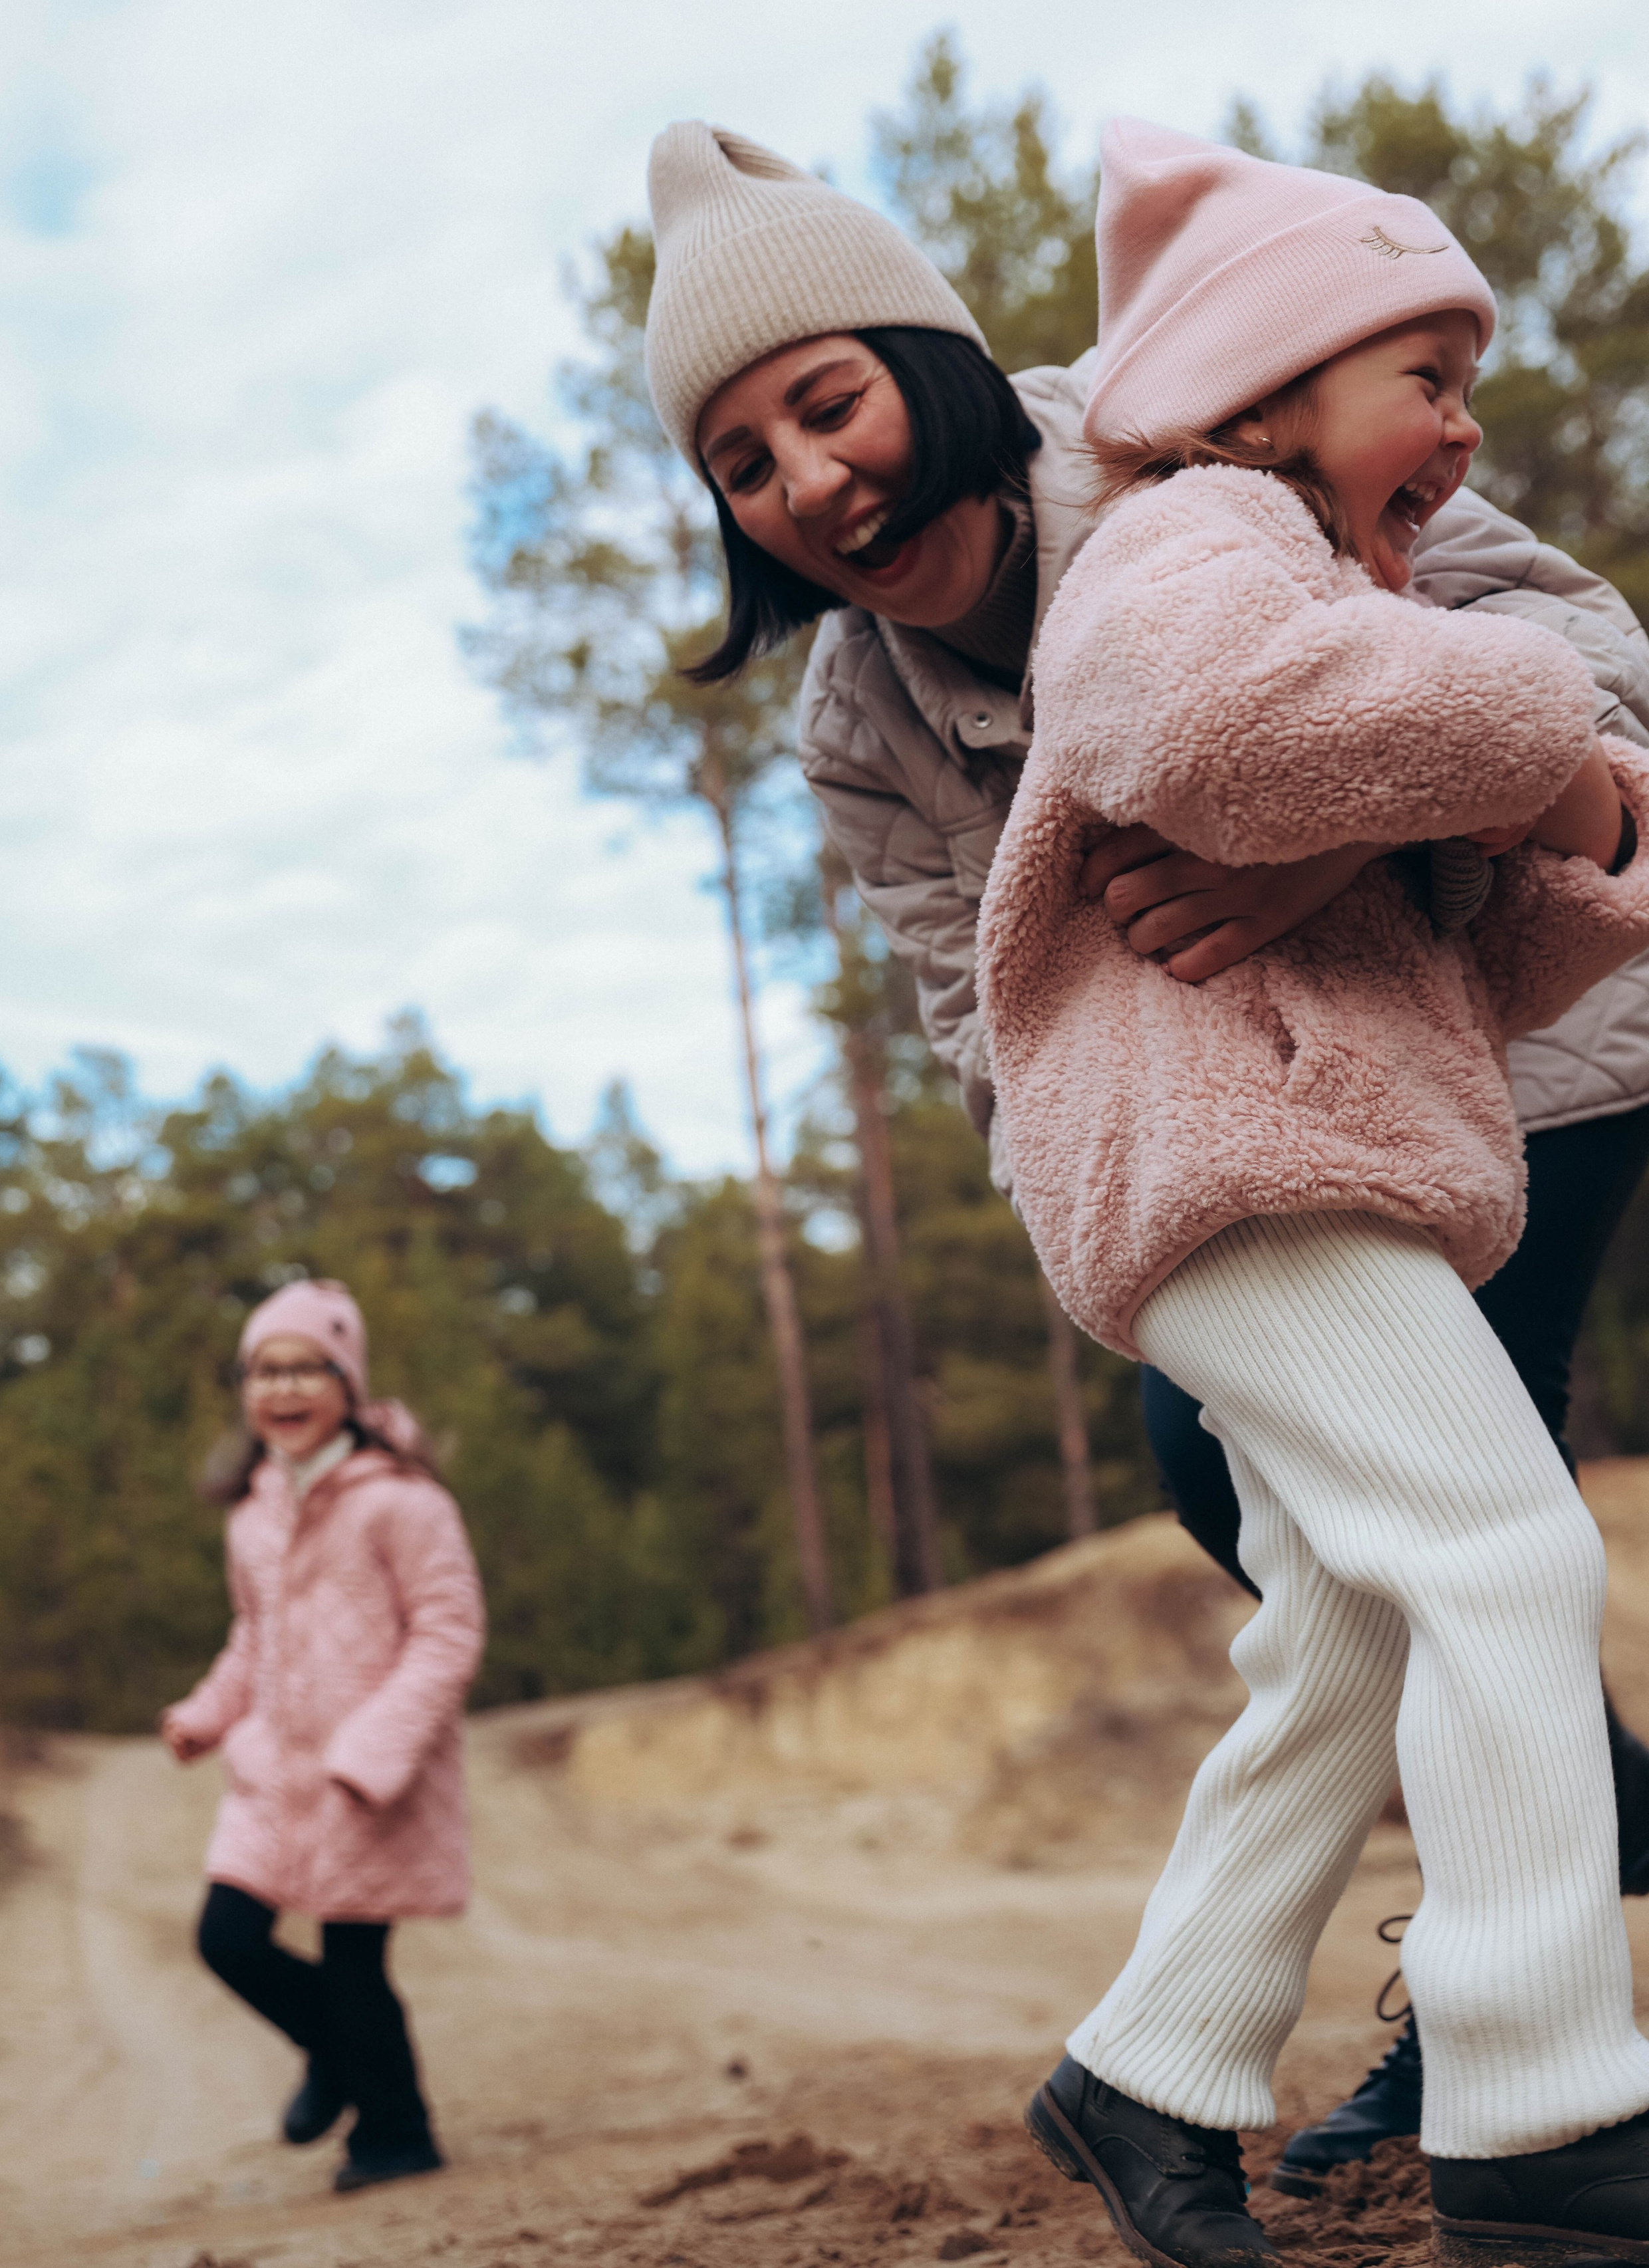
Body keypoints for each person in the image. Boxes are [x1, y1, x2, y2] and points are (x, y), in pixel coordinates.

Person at [640, 114, 1649, 2205]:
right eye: (743, 464)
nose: (812, 482)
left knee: (1442, 1553)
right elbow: (969, 996)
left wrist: (1332, 842)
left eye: (827, 405)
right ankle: (1418, 2042)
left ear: (926, 368)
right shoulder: (860, 710)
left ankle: (1465, 2049)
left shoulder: (1211, 434)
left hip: (1523, 1060)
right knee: (1371, 1544)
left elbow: (1569, 693)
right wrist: (1106, 1214)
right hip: (1232, 1125)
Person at [971, 118, 1649, 2267]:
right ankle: (1542, 2110)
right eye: (1425, 376)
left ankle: (1150, 2065)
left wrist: (1561, 845)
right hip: (1231, 1157)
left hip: (1308, 1146)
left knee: (1348, 1631)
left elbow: (1463, 962)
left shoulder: (1349, 592)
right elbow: (1199, 719)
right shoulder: (1191, 543)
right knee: (1510, 1551)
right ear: (1269, 390)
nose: (1464, 425)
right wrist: (1548, 732)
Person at [162, 1279, 485, 2196]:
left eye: (308, 1367)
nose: (285, 1388)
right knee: (227, 1938)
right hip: (275, 1773)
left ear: (348, 1384)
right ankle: (339, 2057)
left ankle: (398, 2133)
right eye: (266, 1370)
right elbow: (252, 1639)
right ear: (246, 1388)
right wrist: (205, 1714)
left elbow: (449, 1632)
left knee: (353, 1962)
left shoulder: (405, 1503)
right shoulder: (253, 1513)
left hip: (371, 1776)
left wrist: (376, 1750)